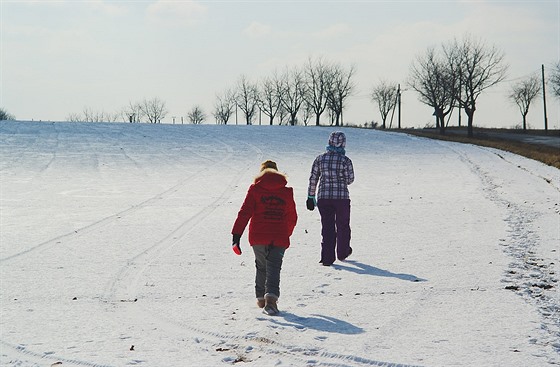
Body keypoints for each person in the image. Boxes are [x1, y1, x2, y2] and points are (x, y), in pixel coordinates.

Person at [231, 160, 298, 315]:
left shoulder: (255, 189)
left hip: (258, 236)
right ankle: (271, 301)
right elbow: (292, 217)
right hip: (279, 236)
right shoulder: (286, 192)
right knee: (274, 267)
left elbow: (244, 212)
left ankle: (261, 298)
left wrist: (236, 235)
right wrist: (285, 234)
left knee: (261, 266)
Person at [307, 131, 355, 266]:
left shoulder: (319, 159)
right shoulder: (346, 161)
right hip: (342, 199)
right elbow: (350, 179)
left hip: (324, 198)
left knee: (327, 227)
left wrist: (310, 196)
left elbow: (313, 178)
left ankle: (327, 257)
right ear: (343, 144)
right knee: (343, 225)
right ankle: (343, 252)